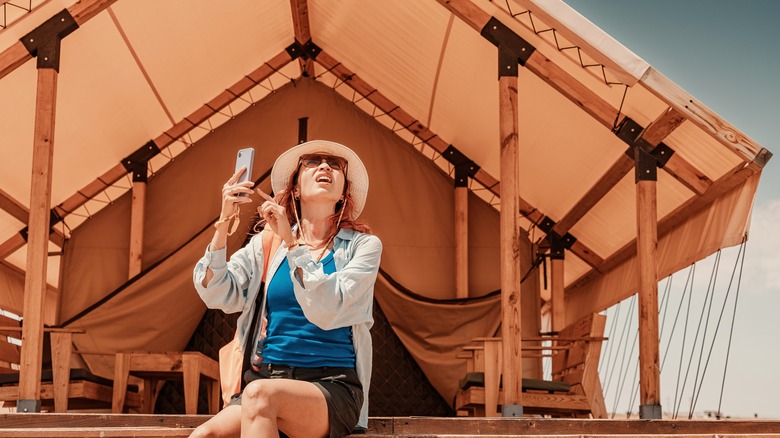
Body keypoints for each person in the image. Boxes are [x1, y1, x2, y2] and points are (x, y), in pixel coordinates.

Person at [191, 140, 382, 438]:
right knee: (203, 435)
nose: (324, 167)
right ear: (294, 187)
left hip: (331, 385)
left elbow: (329, 310)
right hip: (266, 378)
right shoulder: (268, 243)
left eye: (335, 165)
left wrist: (294, 245)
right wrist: (223, 221)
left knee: (260, 395)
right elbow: (219, 294)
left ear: (344, 192)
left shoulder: (363, 246)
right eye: (312, 162)